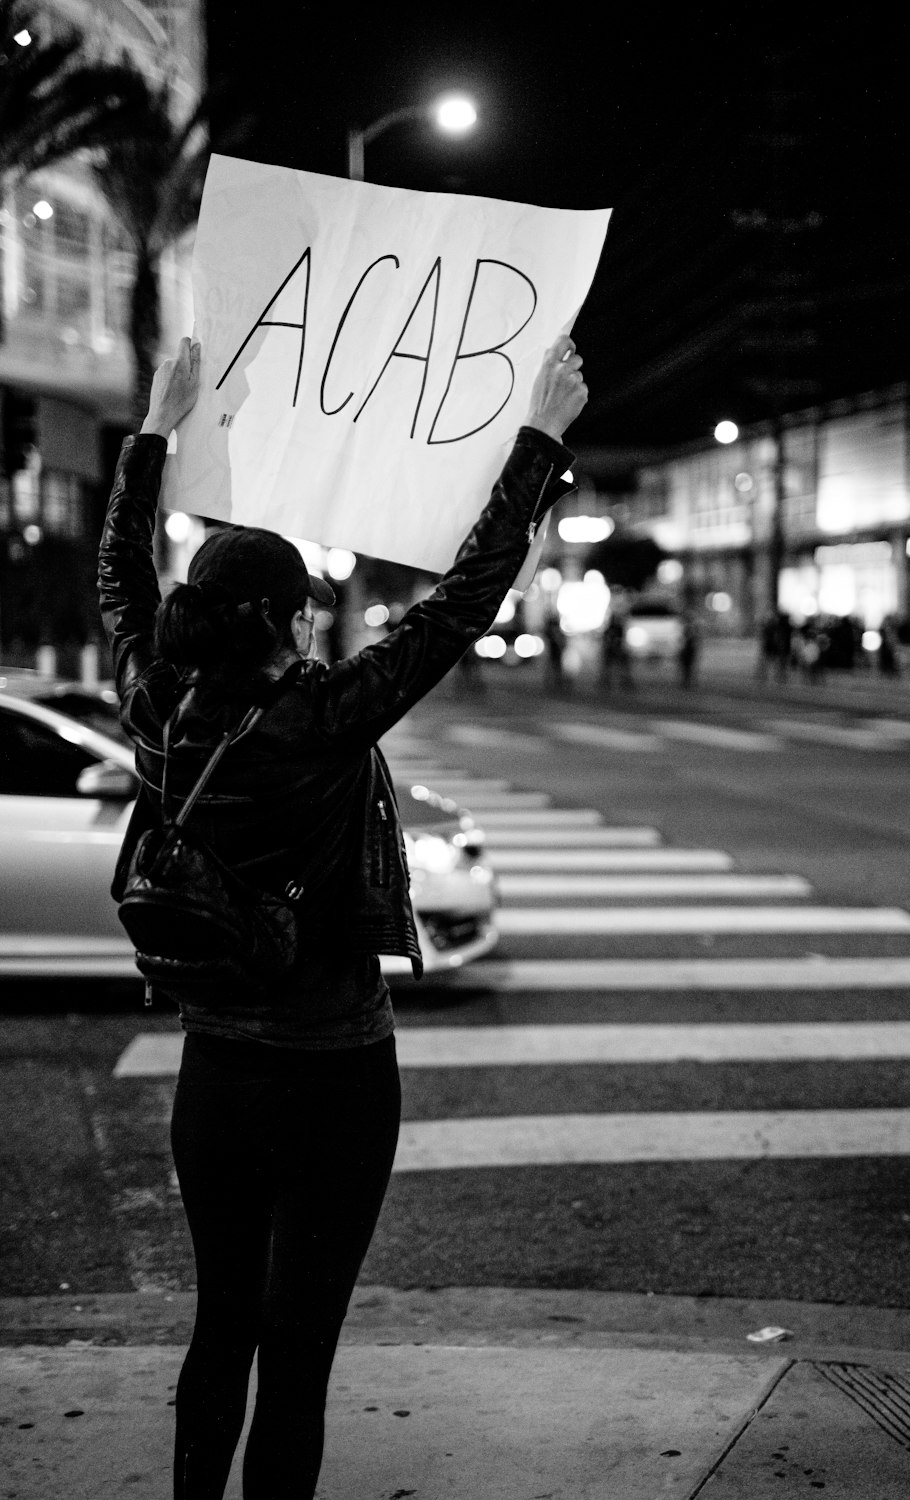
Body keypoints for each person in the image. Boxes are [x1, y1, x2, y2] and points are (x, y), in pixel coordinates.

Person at [98, 333, 587, 1500]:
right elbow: (462, 603)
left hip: (215, 1072)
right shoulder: (322, 721)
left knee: (222, 1326)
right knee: (299, 1356)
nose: (320, 626)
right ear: (278, 618)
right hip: (332, 1071)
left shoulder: (156, 703)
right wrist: (536, 441)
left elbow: (119, 578)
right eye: (308, 610)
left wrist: (156, 432)